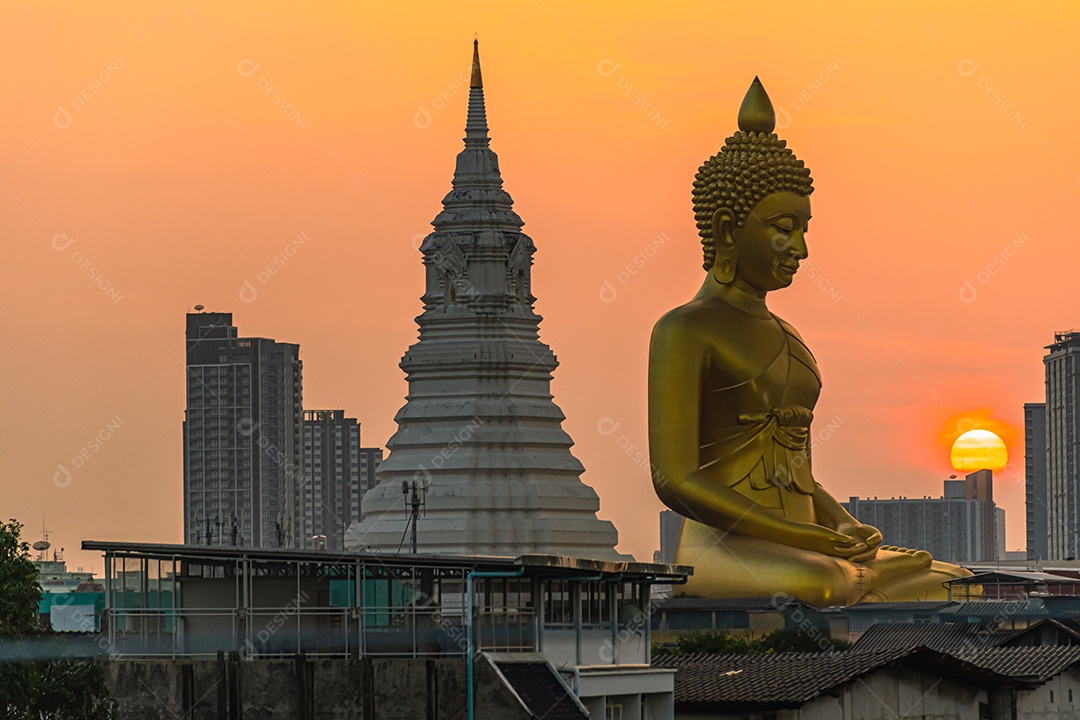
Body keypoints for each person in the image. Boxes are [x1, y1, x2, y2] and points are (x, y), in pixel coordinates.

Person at [648, 78, 970, 605]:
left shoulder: (788, 336)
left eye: (804, 228)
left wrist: (843, 525)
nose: (800, 248)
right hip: (727, 548)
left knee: (958, 581)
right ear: (727, 228)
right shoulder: (685, 329)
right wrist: (805, 539)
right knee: (824, 583)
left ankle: (862, 573)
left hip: (809, 544)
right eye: (783, 227)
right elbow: (676, 479)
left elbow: (800, 474)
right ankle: (857, 577)